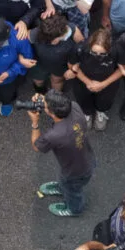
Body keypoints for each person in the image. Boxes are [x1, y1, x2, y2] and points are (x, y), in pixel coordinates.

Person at [29, 88, 95, 217]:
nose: (42, 105)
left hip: (75, 172)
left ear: (52, 113)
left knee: (72, 190)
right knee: (65, 180)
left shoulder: (55, 135)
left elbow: (37, 146)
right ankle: (62, 187)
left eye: (44, 105)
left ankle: (74, 209)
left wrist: (35, 123)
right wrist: (45, 98)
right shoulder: (74, 106)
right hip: (87, 158)